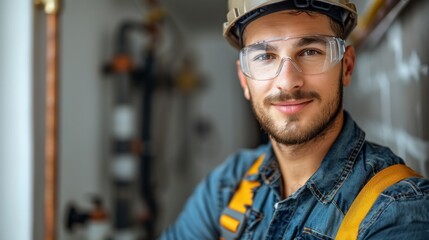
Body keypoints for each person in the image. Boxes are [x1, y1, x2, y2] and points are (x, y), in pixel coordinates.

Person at [160, 0, 429, 239]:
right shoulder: (225, 186)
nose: (288, 82)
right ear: (244, 80)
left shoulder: (397, 210)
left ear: (346, 66)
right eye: (265, 56)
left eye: (310, 51)